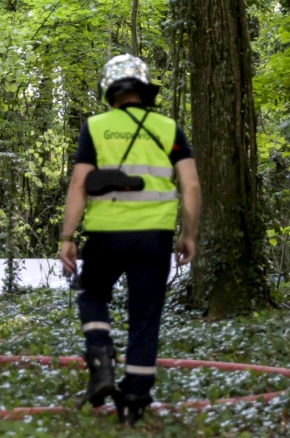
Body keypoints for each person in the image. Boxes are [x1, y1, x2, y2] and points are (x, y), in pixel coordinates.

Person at [58, 54, 201, 425]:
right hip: (154, 238)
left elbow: (79, 184)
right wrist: (189, 234)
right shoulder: (169, 128)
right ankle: (134, 400)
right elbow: (190, 184)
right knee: (145, 316)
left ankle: (101, 357)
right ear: (144, 89)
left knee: (92, 294)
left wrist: (67, 237)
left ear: (110, 90)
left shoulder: (96, 126)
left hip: (106, 235)